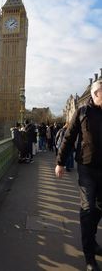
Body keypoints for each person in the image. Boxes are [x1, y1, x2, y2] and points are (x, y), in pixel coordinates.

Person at [55, 80, 102, 271]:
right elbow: (69, 137)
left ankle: (91, 239)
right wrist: (60, 162)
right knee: (88, 208)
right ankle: (89, 256)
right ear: (96, 93)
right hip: (87, 167)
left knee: (99, 209)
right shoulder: (82, 111)